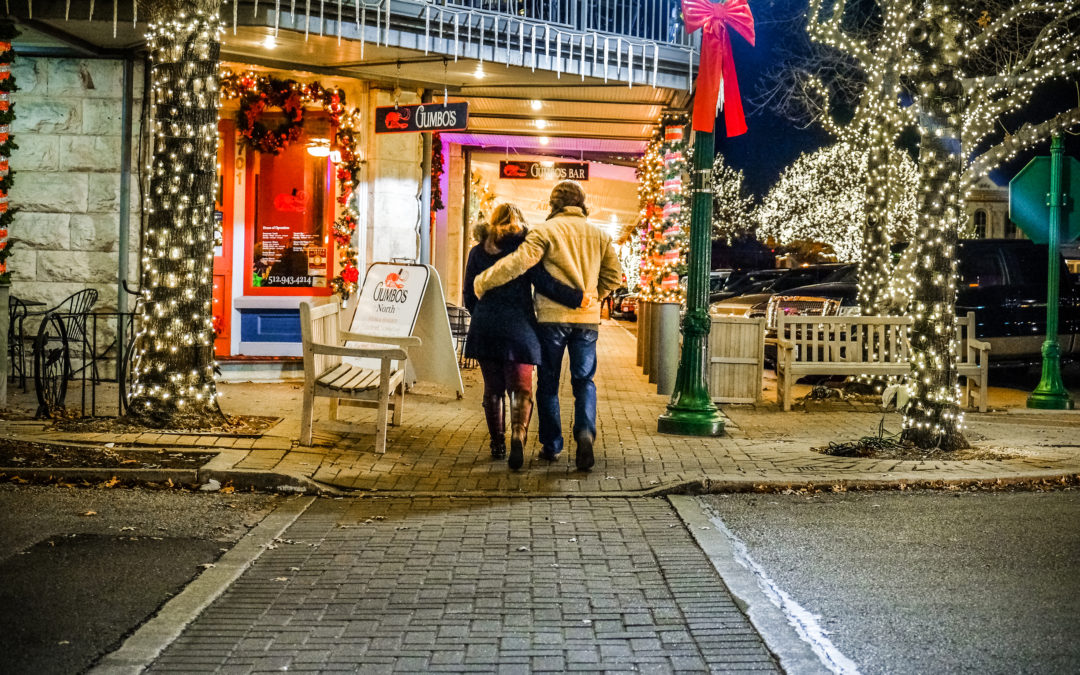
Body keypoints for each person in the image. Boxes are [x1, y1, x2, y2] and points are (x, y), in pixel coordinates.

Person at [474, 181, 621, 471]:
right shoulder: (600, 236)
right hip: (586, 321)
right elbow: (614, 276)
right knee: (584, 381)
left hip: (551, 320)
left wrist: (483, 281)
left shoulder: (544, 231)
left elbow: (518, 263)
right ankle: (585, 433)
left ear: (554, 204)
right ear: (582, 203)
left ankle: (552, 446)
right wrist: (593, 297)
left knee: (549, 385)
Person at [463, 204, 585, 471]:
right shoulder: (523, 251)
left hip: (486, 328)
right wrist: (576, 297)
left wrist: (483, 315)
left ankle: (498, 444)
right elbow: (544, 283)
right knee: (521, 390)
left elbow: (468, 295)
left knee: (493, 390)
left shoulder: (477, 251)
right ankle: (518, 434)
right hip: (520, 330)